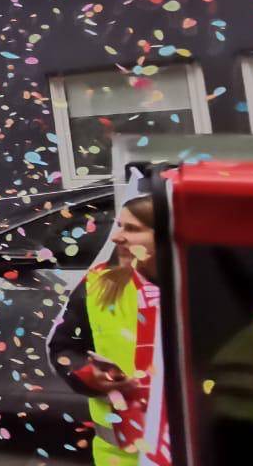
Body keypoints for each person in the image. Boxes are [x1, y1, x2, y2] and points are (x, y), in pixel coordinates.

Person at [48, 196, 170, 466]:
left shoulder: (212, 290)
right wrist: (89, 375)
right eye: (119, 225)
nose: (116, 236)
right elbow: (63, 348)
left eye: (133, 229)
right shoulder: (99, 283)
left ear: (169, 235)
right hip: (121, 458)